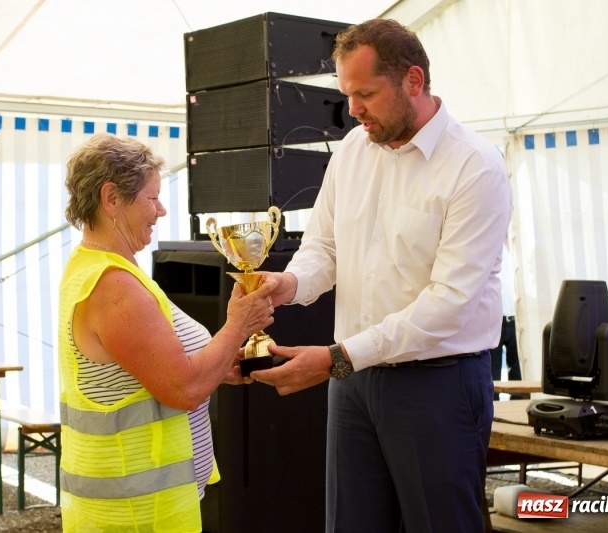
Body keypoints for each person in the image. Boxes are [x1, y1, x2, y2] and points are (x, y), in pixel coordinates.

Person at [252, 19, 512, 533]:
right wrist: (289, 285)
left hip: (438, 382)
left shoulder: (475, 167)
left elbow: (448, 304)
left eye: (365, 93)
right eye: (347, 94)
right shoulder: (352, 150)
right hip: (352, 380)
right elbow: (323, 248)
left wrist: (335, 359)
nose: (353, 110)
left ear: (413, 81)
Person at [57, 133, 277, 532]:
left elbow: (154, 371)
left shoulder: (101, 268)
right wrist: (237, 326)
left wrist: (224, 360)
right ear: (111, 199)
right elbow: (184, 389)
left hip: (137, 503)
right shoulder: (114, 285)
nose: (160, 210)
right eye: (151, 198)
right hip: (137, 512)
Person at [491, 235, 523, 400]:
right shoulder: (494, 246)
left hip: (518, 320)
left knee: (519, 372)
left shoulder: (521, 251)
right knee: (492, 375)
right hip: (496, 319)